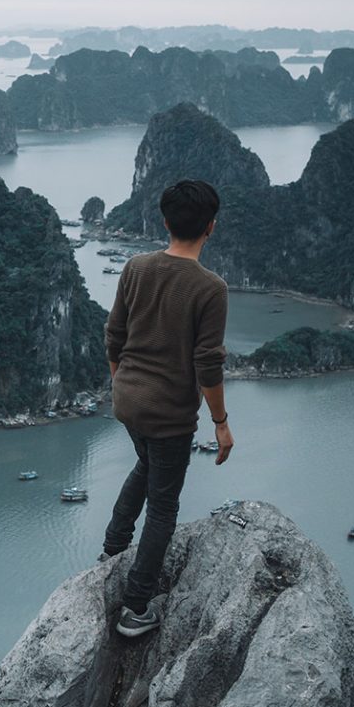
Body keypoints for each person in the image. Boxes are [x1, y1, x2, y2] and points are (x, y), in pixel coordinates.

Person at [101, 179, 234, 638]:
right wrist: (220, 424)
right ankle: (135, 607)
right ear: (211, 227)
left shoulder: (136, 267)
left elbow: (113, 335)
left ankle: (113, 548)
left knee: (146, 462)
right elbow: (207, 364)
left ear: (164, 221)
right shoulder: (210, 288)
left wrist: (124, 383)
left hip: (127, 400)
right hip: (168, 414)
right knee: (163, 507)